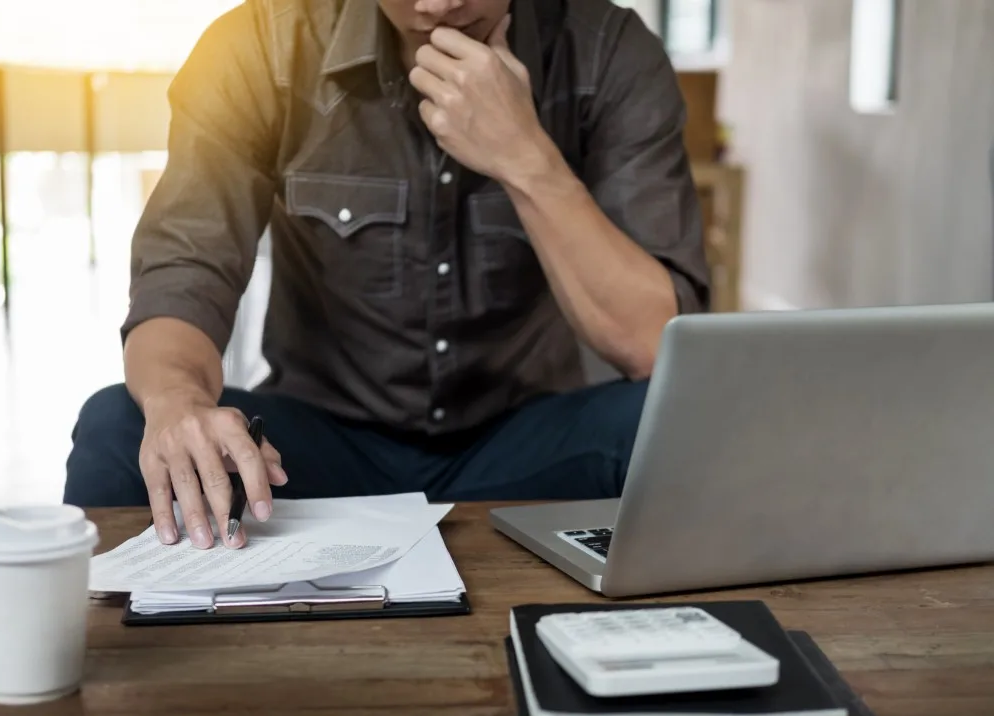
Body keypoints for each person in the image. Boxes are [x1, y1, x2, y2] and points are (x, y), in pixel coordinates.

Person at [63, 0, 710, 549]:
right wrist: (178, 401)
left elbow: (655, 342)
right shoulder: (262, 41)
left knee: (683, 421)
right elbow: (183, 270)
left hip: (526, 444)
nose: (438, 5)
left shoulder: (608, 49)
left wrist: (524, 155)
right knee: (119, 427)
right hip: (317, 451)